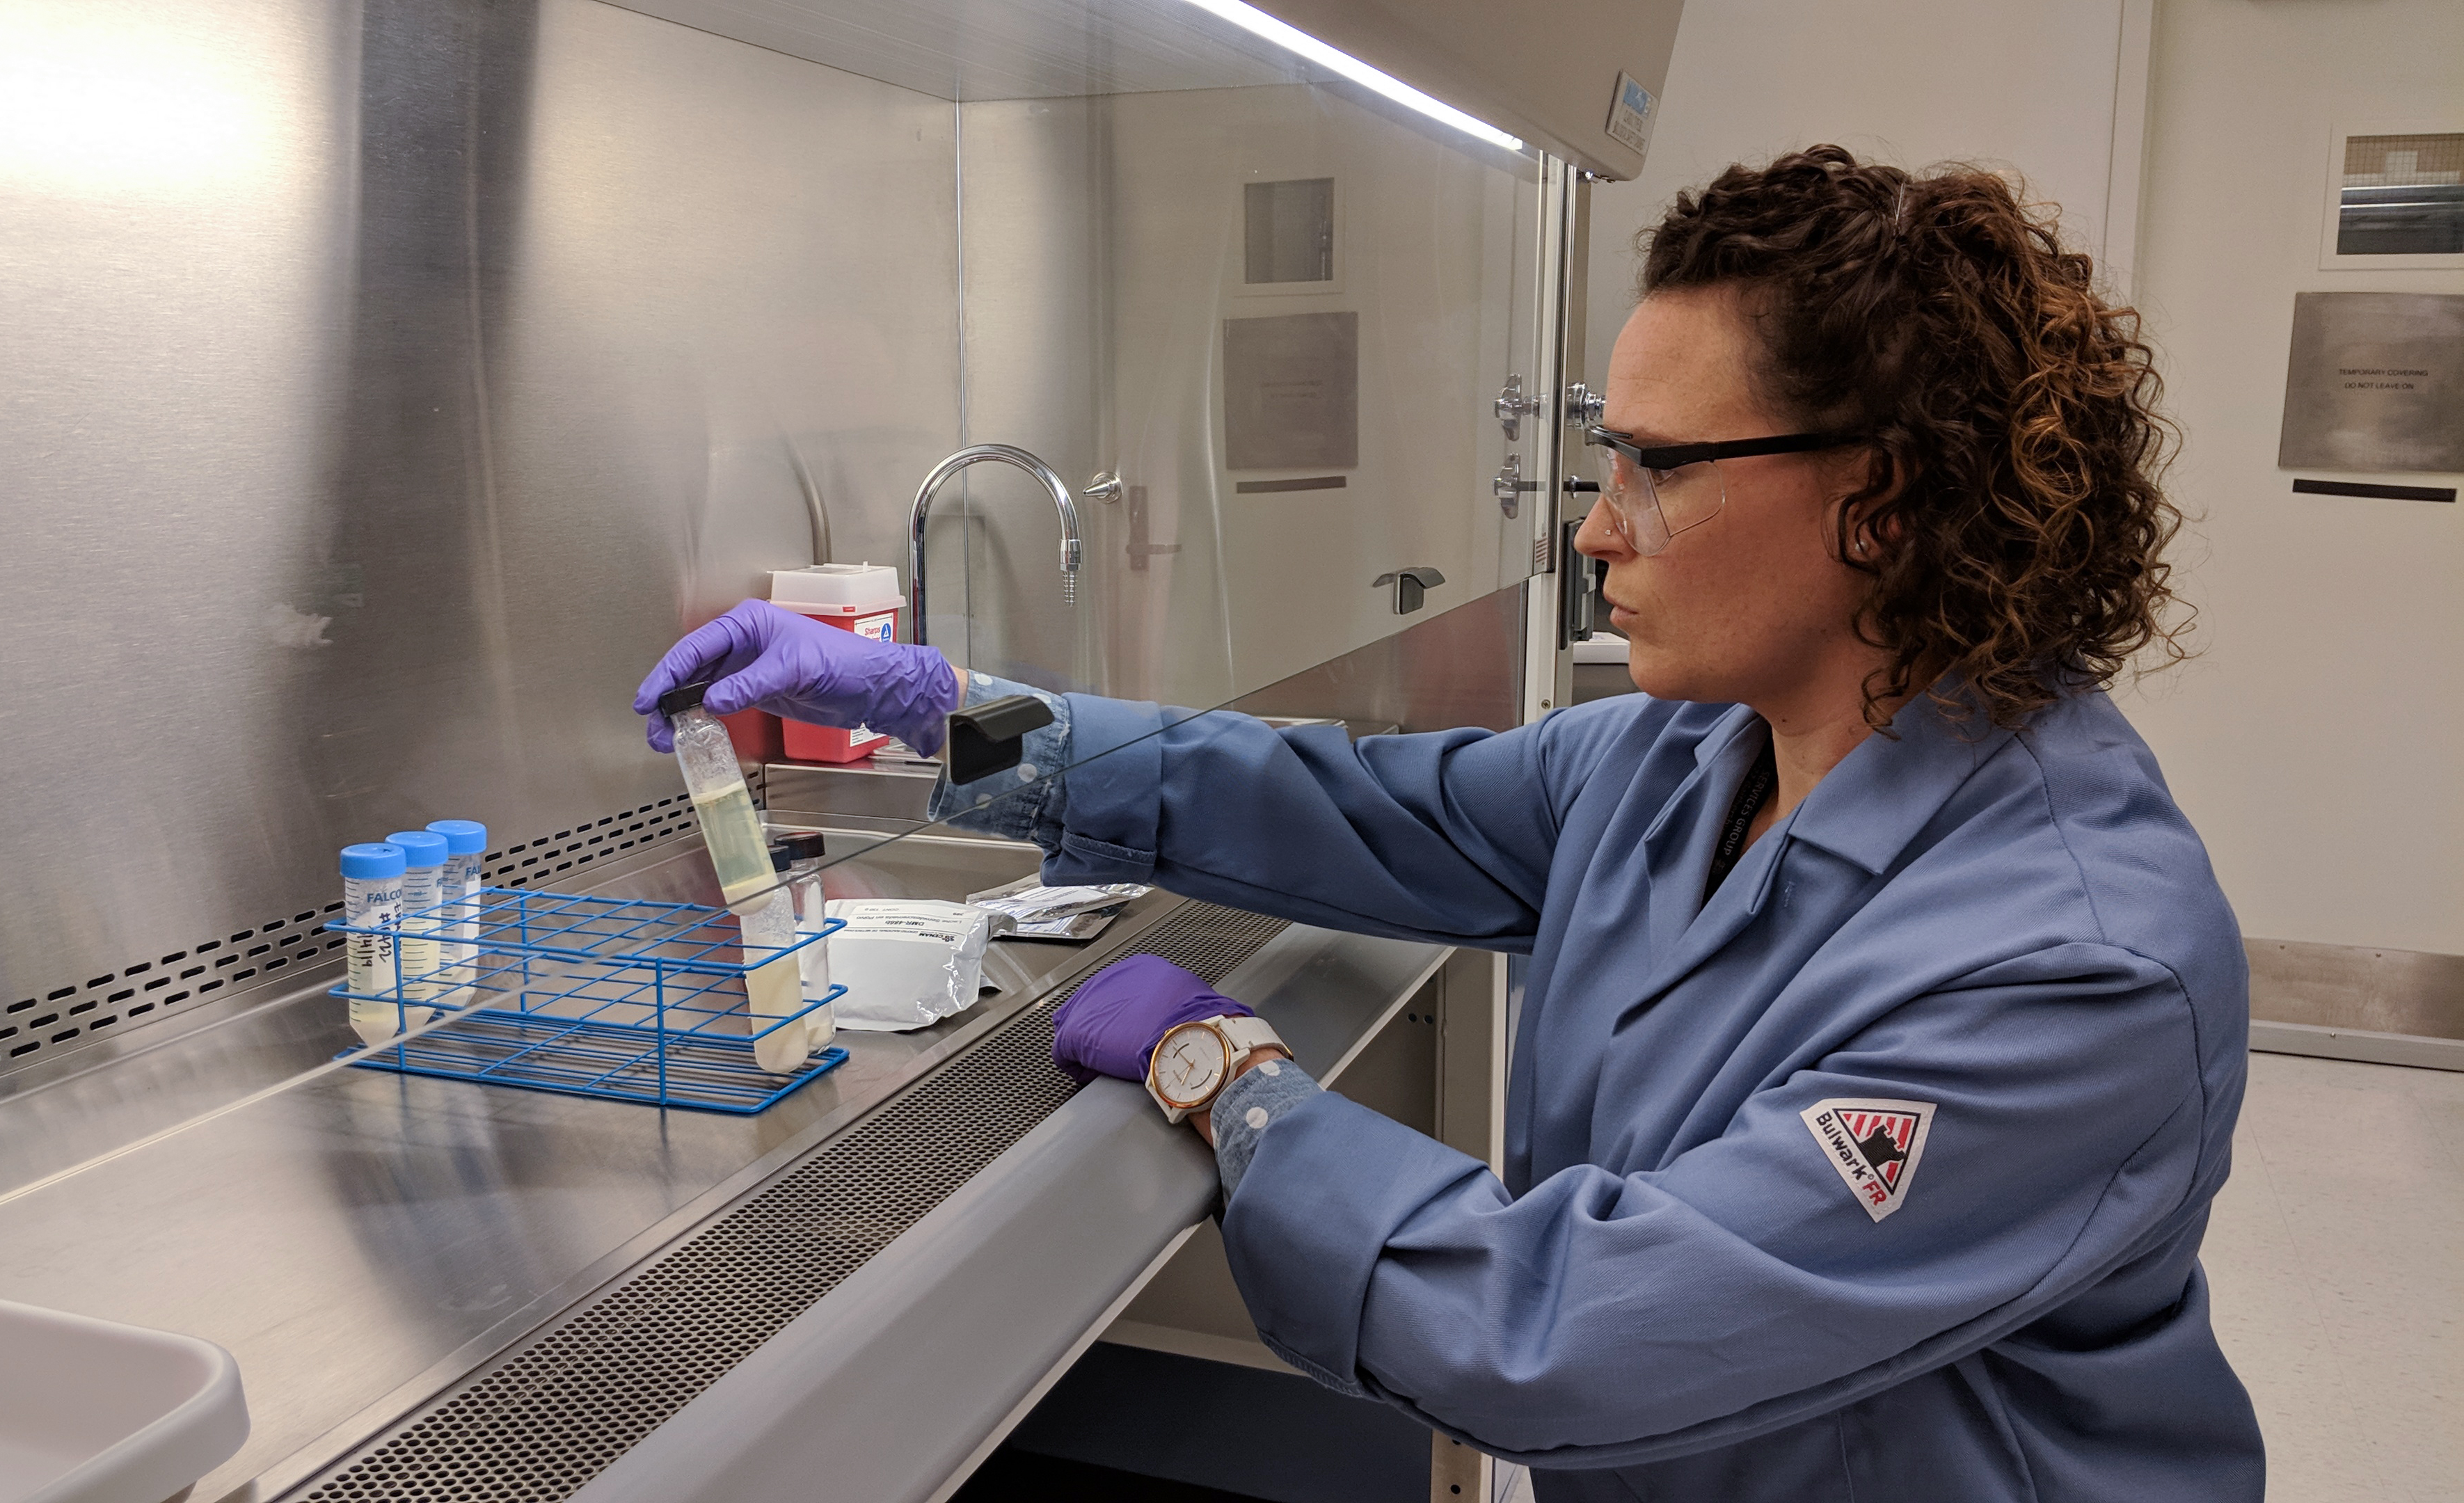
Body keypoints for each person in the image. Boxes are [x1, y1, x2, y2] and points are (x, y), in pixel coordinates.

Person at [634, 146, 2260, 1500]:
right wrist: (944, 706)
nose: (1597, 532)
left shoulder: (2072, 968)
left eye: (1654, 468)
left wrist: (1233, 1085)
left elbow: (1572, 1333)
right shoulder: (1672, 762)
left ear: (1885, 500)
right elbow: (1320, 794)